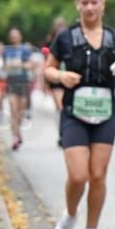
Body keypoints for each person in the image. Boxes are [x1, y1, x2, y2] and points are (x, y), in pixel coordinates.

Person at [44, 0, 115, 229]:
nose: (90, 7)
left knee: (97, 174)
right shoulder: (65, 37)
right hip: (74, 113)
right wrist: (61, 76)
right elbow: (48, 70)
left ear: (103, 4)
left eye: (95, 2)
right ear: (77, 5)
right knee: (78, 174)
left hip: (105, 113)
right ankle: (71, 214)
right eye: (85, 2)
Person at [3, 28, 33, 149]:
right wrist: (7, 66)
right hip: (11, 82)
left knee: (20, 111)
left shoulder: (25, 50)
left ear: (20, 36)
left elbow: (31, 65)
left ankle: (18, 131)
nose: (14, 37)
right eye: (12, 36)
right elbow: (3, 67)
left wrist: (19, 64)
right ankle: (15, 137)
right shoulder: (7, 51)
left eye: (16, 35)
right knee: (13, 110)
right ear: (10, 38)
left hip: (23, 82)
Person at [44, 17, 68, 147]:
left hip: (69, 77)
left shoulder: (71, 40)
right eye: (57, 26)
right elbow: (47, 64)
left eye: (62, 25)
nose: (60, 28)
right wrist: (46, 82)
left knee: (66, 107)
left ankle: (66, 132)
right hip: (56, 78)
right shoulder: (50, 42)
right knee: (60, 106)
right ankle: (62, 134)